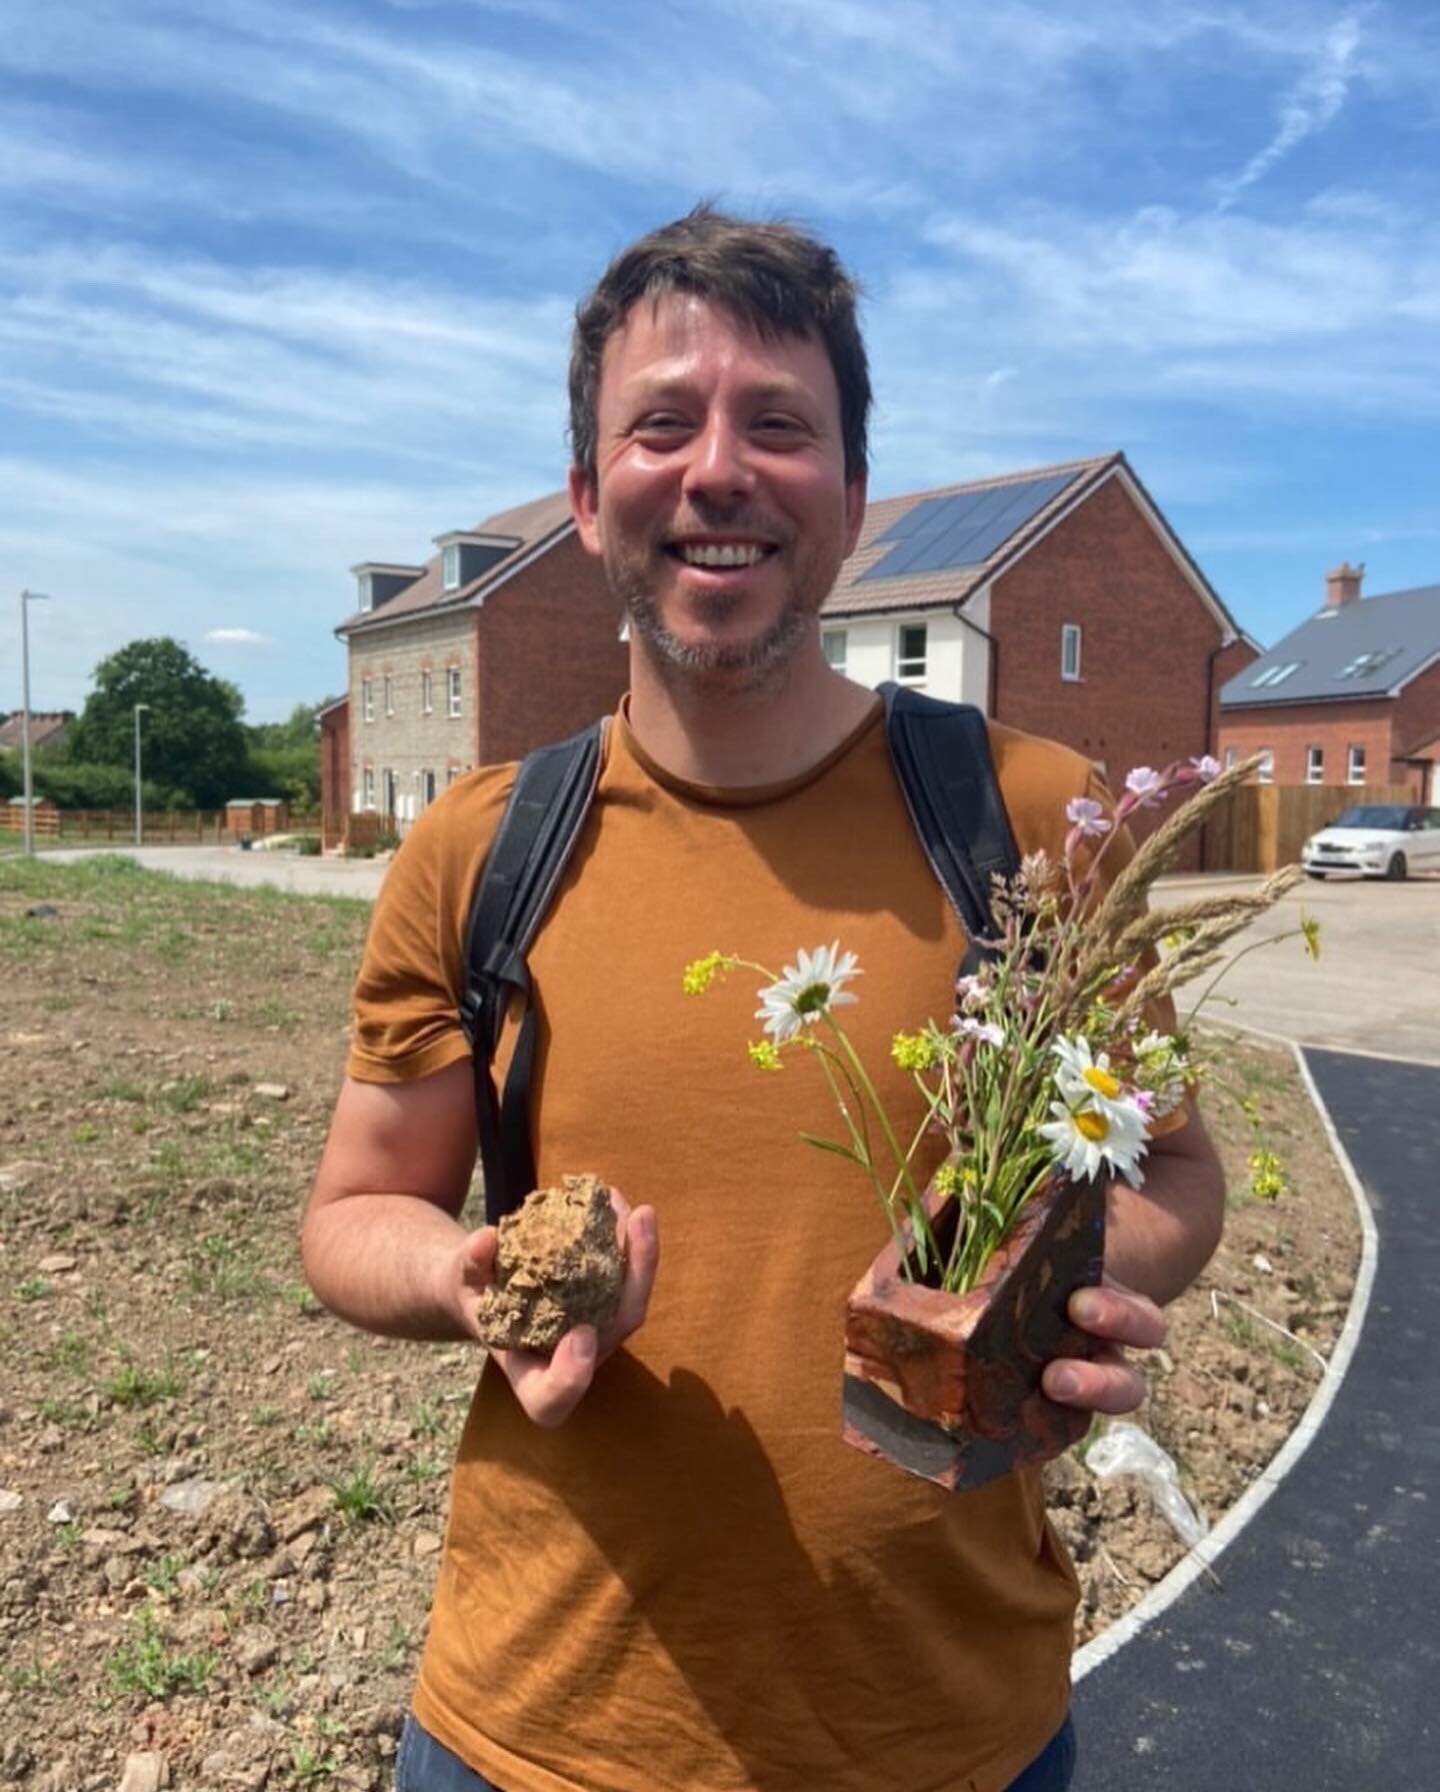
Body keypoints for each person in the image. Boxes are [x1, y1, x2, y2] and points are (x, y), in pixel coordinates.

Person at [302, 206, 1225, 1792]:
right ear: (592, 502)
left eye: (778, 426)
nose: (716, 470)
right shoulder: (480, 848)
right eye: (660, 426)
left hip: (947, 1733)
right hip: (535, 1733)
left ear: (853, 499)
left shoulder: (1031, 821)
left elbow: (1177, 1174)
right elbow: (354, 1211)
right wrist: (477, 1279)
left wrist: (1057, 1282)